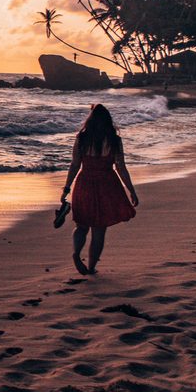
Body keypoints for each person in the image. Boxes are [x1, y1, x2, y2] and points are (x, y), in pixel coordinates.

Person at [60, 104, 138, 275]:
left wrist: (67, 188)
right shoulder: (114, 140)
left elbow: (74, 165)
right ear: (108, 120)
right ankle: (91, 267)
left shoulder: (82, 138)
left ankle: (76, 254)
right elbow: (121, 167)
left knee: (81, 225)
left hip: (85, 183)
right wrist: (131, 190)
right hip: (107, 185)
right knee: (99, 230)